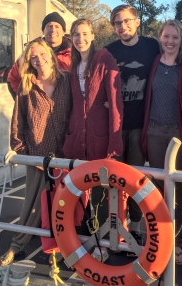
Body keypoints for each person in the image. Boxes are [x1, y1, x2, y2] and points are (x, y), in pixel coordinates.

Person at [0, 38, 72, 266]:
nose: (38, 59)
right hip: (38, 154)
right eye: (33, 57)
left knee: (63, 205)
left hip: (64, 155)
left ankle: (59, 247)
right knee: (32, 203)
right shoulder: (26, 84)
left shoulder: (67, 81)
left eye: (42, 54)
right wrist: (20, 148)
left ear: (50, 55)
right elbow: (17, 118)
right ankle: (18, 243)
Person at [62, 18, 123, 261]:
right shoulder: (72, 64)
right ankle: (85, 236)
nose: (80, 39)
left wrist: (115, 140)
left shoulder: (104, 59)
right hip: (78, 137)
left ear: (93, 35)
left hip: (100, 137)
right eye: (76, 34)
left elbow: (115, 102)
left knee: (99, 192)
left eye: (84, 34)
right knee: (79, 190)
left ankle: (102, 242)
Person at [140, 20, 182, 266]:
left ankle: (176, 242)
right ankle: (157, 238)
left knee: (176, 190)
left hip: (178, 134)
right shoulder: (153, 62)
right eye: (166, 36)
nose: (170, 41)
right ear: (160, 38)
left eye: (175, 37)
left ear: (181, 39)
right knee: (155, 187)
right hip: (153, 131)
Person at [104, 5, 160, 241]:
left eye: (127, 21)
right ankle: (115, 224)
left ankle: (136, 224)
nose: (122, 26)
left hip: (139, 125)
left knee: (136, 178)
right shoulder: (107, 52)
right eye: (117, 23)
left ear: (137, 22)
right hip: (114, 127)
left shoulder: (151, 46)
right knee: (113, 179)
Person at [7, 11, 71, 98]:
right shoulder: (30, 52)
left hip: (66, 107)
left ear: (63, 31)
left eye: (57, 26)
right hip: (38, 108)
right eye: (49, 26)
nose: (53, 30)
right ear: (43, 31)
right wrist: (23, 101)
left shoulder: (74, 53)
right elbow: (13, 78)